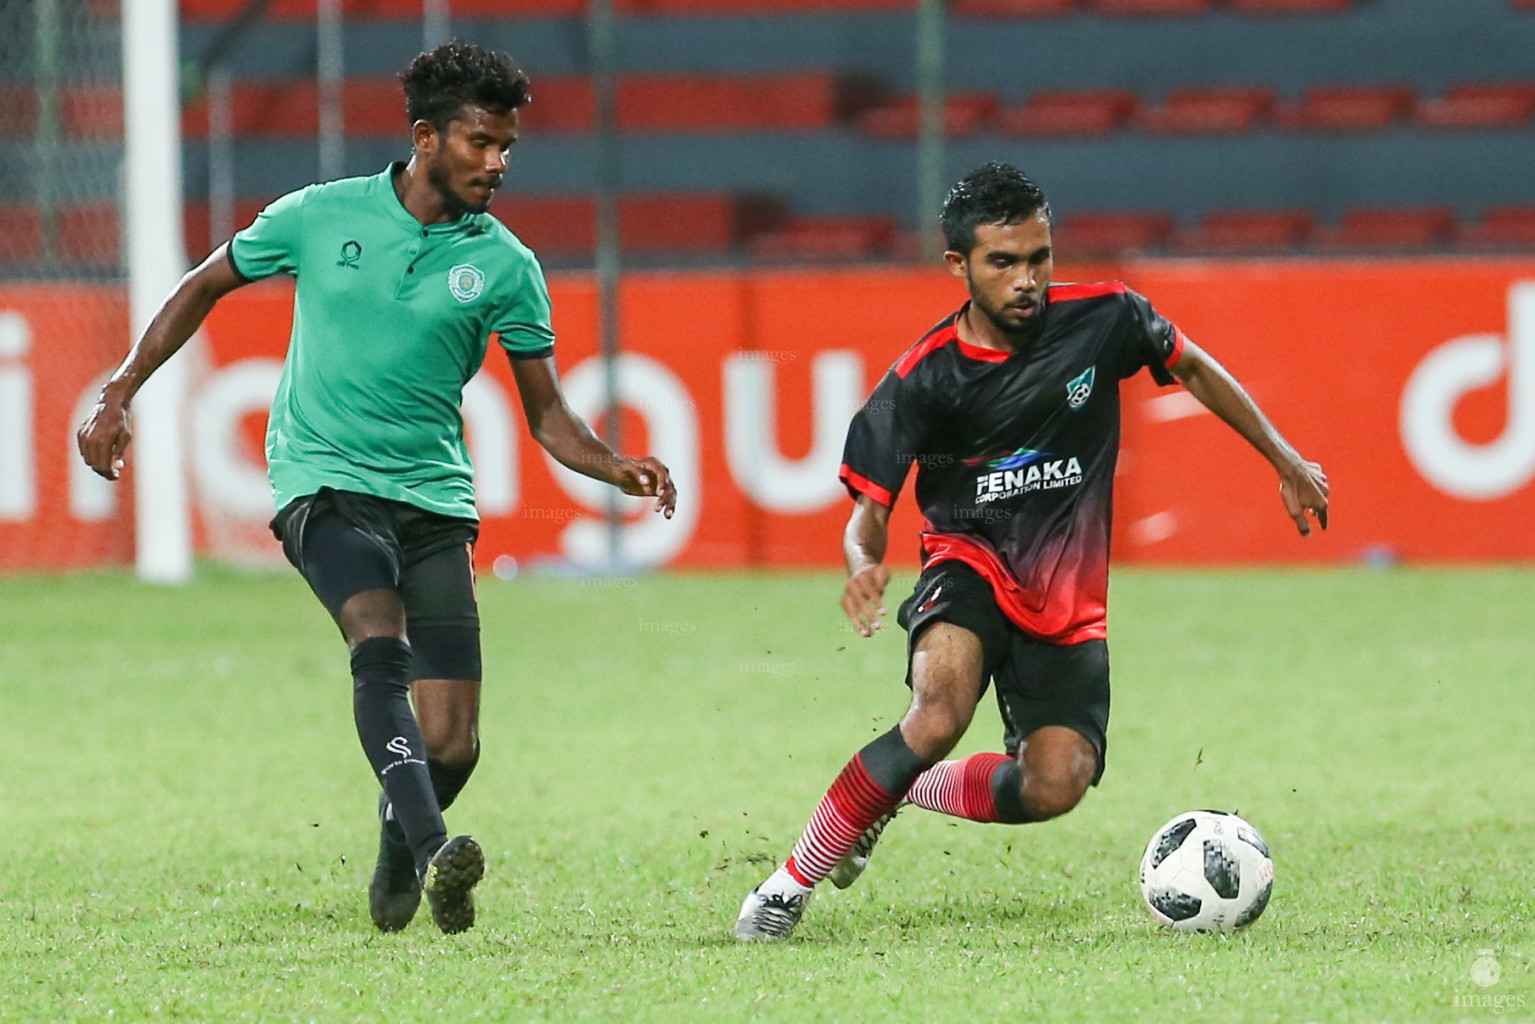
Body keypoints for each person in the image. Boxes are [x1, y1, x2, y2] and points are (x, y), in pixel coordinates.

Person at [77, 42, 677, 936]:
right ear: (426, 136)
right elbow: (205, 284)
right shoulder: (320, 215)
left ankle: (400, 847)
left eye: (508, 146)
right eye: (480, 142)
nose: (498, 163)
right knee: (375, 638)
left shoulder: (507, 267)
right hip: (322, 481)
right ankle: (439, 851)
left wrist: (612, 464)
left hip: (433, 498)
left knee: (453, 741)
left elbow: (549, 416)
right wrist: (118, 391)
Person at [733, 161, 1327, 941]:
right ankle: (785, 887)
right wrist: (861, 562)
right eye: (1002, 262)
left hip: (1066, 600)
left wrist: (1283, 457)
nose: (1025, 279)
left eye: (1037, 258)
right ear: (959, 266)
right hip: (966, 563)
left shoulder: (1104, 318)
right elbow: (866, 512)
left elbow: (1188, 363)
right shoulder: (921, 379)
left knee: (1056, 785)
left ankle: (904, 790)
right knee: (938, 708)